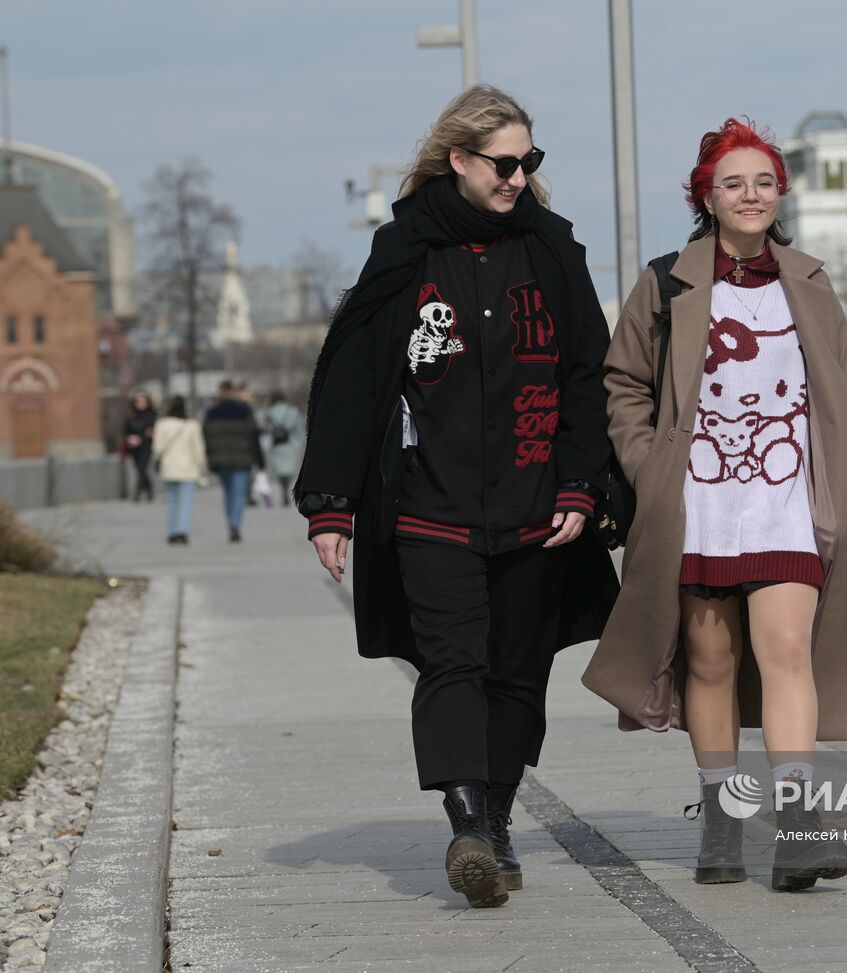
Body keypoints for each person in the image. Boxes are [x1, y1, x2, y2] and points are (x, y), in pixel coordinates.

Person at [295, 84, 617, 909]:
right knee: (452, 661)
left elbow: (588, 376)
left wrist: (582, 482)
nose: (518, 177)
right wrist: (330, 503)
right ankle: (466, 822)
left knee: (516, 670)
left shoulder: (551, 250)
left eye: (528, 162)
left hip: (536, 509)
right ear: (459, 160)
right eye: (503, 163)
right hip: (427, 508)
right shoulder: (404, 252)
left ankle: (499, 820)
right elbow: (355, 380)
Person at [582, 118, 847, 892]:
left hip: (785, 497)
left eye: (764, 181)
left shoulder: (808, 280)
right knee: (710, 659)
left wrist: (841, 459)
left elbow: (846, 381)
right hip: (700, 499)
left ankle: (800, 825)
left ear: (780, 192)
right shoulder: (667, 281)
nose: (751, 195)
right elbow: (622, 384)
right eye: (733, 183)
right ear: (706, 197)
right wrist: (651, 469)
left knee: (786, 648)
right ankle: (721, 818)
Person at [203, 379, 265, 542]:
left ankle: (231, 522)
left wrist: (209, 457)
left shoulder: (211, 413)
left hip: (221, 460)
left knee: (228, 492)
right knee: (238, 494)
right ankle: (235, 524)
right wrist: (260, 460)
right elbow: (254, 436)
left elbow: (206, 437)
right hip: (242, 459)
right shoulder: (244, 410)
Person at [151, 396, 207, 544]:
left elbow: (157, 448)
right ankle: (182, 531)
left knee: (172, 501)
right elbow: (198, 449)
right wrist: (201, 466)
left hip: (169, 467)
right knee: (186, 501)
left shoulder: (162, 424)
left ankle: (172, 531)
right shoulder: (192, 425)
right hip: (188, 468)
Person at [264, 391, 305, 506]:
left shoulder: (269, 412)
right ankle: (287, 488)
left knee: (280, 470)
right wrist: (302, 444)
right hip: (291, 443)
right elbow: (300, 428)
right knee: (289, 469)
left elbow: (266, 429)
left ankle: (283, 488)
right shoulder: (293, 411)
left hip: (276, 444)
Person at [122, 389, 158, 502]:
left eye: (143, 402)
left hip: (146, 446)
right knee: (139, 469)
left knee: (142, 467)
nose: (141, 404)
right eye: (138, 402)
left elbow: (152, 431)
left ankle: (137, 493)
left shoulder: (151, 415)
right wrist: (130, 439)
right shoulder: (131, 415)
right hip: (134, 447)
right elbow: (125, 431)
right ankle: (149, 488)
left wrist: (143, 437)